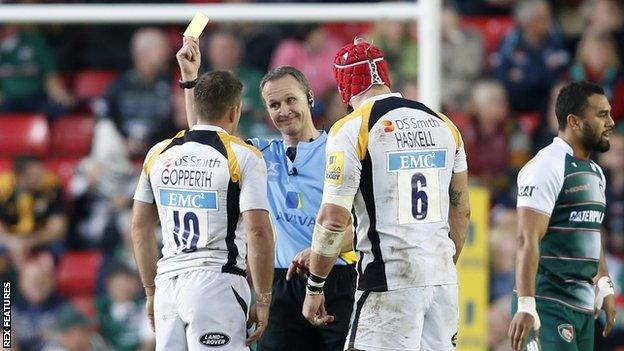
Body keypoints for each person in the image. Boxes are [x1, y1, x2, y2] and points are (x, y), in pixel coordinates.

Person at [177, 37, 357, 351]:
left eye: (291, 100)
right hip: (279, 285)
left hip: (337, 279)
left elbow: (363, 226)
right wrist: (191, 79)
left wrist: (320, 252)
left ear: (309, 97)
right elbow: (205, 135)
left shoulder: (339, 149)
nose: (284, 110)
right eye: (274, 105)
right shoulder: (260, 154)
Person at [302, 39, 471, 351]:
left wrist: (315, 285)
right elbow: (461, 210)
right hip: (442, 279)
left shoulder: (352, 129)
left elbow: (333, 219)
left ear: (344, 87)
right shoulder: (445, 125)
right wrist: (439, 271)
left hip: (389, 278)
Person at [131, 56, 275, 349]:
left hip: (168, 285)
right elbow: (258, 231)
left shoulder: (158, 154)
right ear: (234, 112)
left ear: (194, 107)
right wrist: (263, 298)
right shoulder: (243, 155)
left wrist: (149, 292)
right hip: (217, 282)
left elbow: (139, 227)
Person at [508, 81, 617, 351]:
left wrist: (604, 283)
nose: (612, 122)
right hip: (547, 303)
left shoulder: (595, 171)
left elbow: (589, 232)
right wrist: (525, 304)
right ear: (574, 121)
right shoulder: (546, 166)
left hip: (580, 307)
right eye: (602, 115)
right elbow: (526, 238)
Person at [0, 155, 68, 265]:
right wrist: (11, 242)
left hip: (40, 239)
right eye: (35, 175)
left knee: (43, 264)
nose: (41, 177)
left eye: (41, 172)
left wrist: (27, 243)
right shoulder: (3, 188)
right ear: (21, 177)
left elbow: (57, 229)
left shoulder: (51, 187)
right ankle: (7, 282)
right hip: (9, 239)